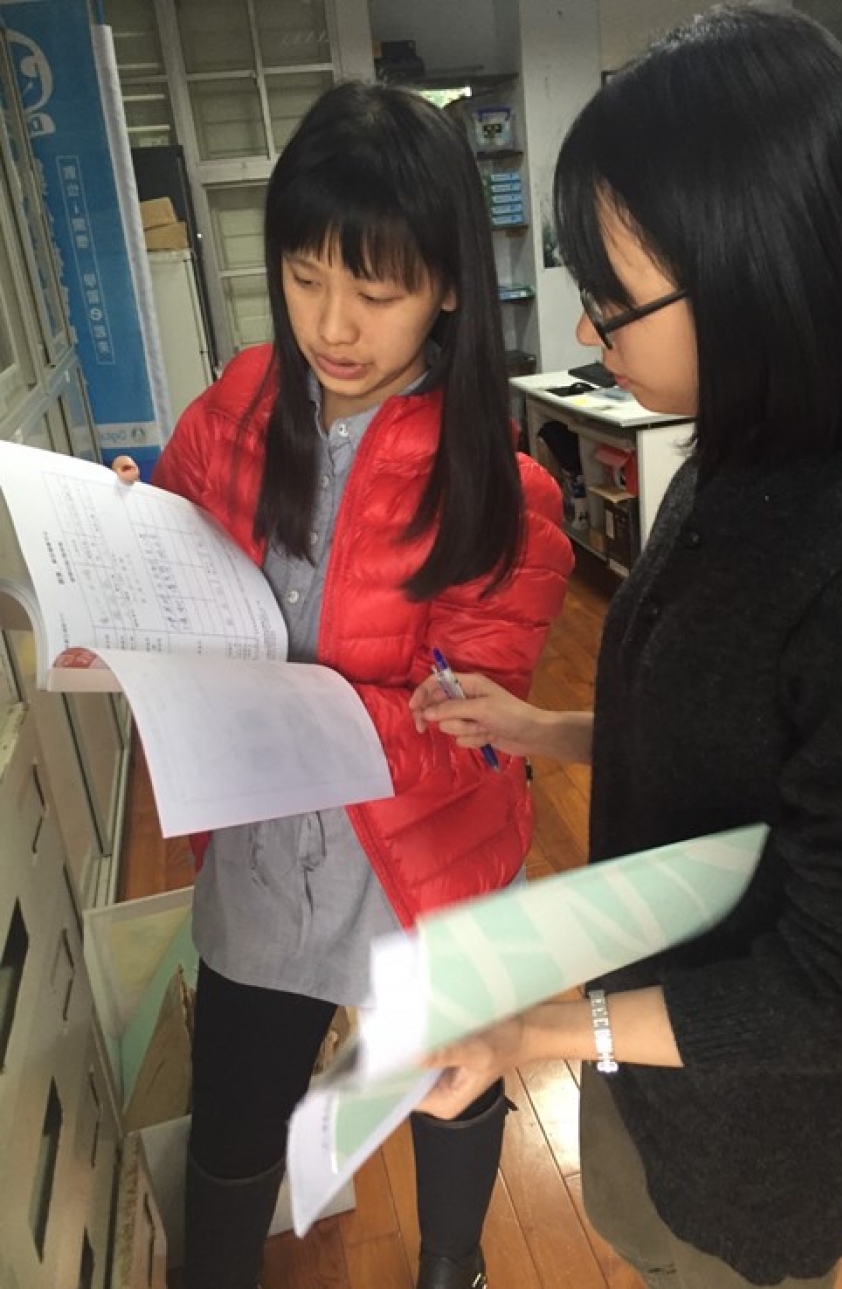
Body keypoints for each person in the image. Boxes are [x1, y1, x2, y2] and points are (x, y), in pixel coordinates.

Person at [410, 8, 842, 1289]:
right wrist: (541, 728)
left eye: (613, 305)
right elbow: (726, 744)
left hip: (754, 1126)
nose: (590, 335)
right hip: (646, 1047)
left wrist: (541, 1027)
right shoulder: (739, 447)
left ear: (757, 269)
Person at [116, 81, 573, 1289]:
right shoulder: (237, 406)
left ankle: (452, 1266)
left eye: (375, 292)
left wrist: (288, 707)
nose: (332, 323)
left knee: (448, 1085)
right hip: (269, 856)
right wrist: (121, 540)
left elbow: (471, 728)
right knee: (233, 1118)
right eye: (304, 275)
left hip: (426, 862)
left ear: (449, 287)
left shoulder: (500, 489)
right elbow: (178, 542)